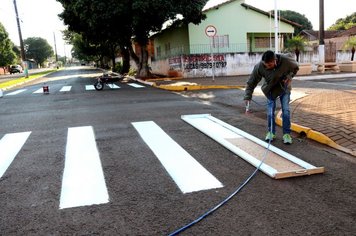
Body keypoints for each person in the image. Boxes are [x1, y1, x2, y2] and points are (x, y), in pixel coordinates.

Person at [244, 50, 299, 144]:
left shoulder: (286, 60)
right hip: (270, 91)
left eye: (269, 65)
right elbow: (251, 81)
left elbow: (296, 67)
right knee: (270, 113)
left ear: (275, 60)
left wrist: (290, 77)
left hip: (284, 89)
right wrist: (247, 96)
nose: (267, 67)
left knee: (285, 111)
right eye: (266, 65)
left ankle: (286, 134)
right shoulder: (260, 66)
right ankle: (271, 132)